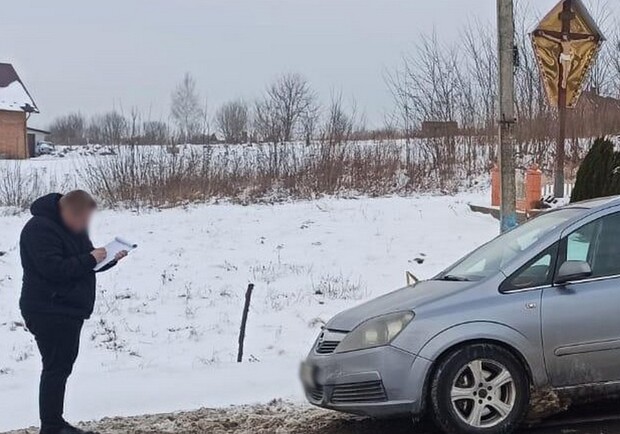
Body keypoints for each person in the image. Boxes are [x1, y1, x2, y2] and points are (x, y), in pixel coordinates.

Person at [19, 191, 128, 434]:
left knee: (61, 366)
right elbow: (54, 269)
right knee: (56, 367)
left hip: (67, 309)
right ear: (66, 211)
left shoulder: (73, 228)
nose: (84, 226)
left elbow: (83, 262)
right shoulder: (39, 229)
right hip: (47, 308)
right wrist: (90, 258)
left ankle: (54, 423)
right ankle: (51, 425)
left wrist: (108, 258)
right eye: (81, 220)